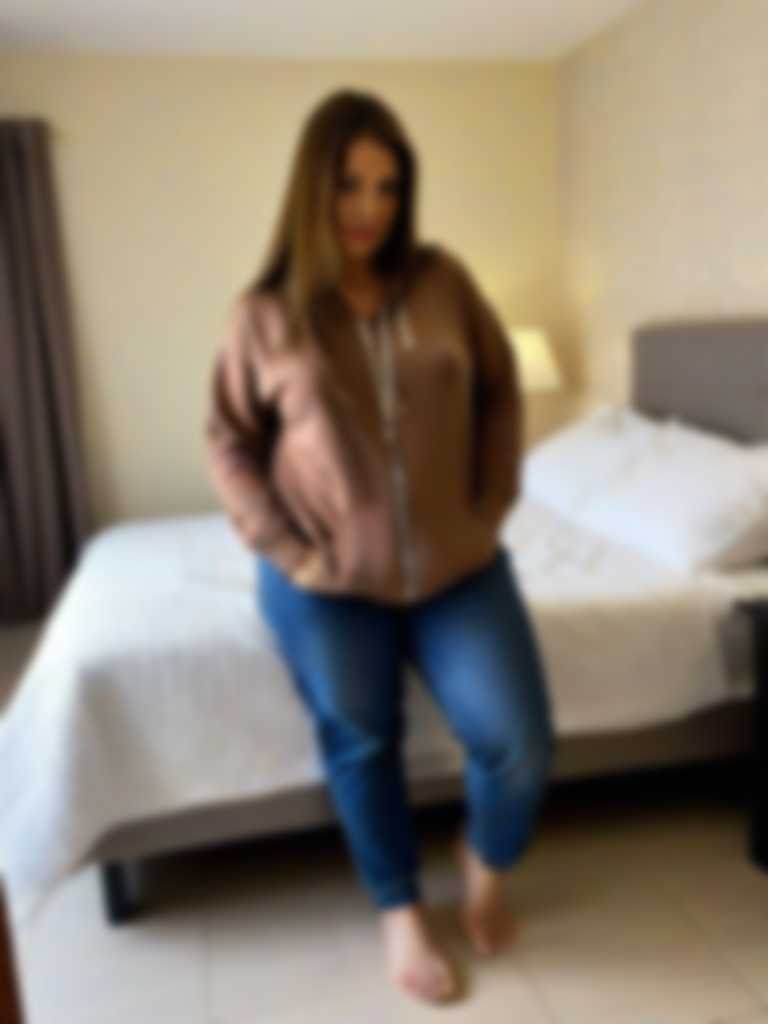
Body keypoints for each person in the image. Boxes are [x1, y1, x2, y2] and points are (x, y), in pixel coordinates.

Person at [204, 87, 556, 1005]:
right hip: (325, 579)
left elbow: (500, 388)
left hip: (456, 567)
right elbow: (229, 444)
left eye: (388, 187)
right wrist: (290, 552)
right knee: (362, 740)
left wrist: (491, 502)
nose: (368, 207)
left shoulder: (443, 281)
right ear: (311, 188)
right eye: (348, 184)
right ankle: (398, 908)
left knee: (518, 741)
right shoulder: (266, 312)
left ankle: (483, 859)